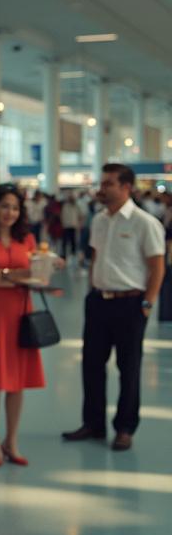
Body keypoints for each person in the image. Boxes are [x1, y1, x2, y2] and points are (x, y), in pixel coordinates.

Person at [62, 164, 165, 451]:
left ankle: (125, 428)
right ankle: (93, 423)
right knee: (92, 365)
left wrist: (147, 304)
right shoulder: (99, 220)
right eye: (102, 182)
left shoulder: (145, 223)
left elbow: (157, 267)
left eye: (109, 183)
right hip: (98, 302)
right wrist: (93, 290)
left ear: (126, 188)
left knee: (128, 368)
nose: (102, 188)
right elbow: (96, 257)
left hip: (130, 304)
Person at [0, 185, 63, 467]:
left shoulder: (28, 239)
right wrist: (17, 274)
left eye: (15, 208)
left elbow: (38, 274)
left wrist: (49, 268)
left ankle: (12, 440)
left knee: (17, 381)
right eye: (5, 206)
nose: (10, 212)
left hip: (21, 311)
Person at [59, 193, 81, 260]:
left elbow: (80, 215)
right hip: (66, 226)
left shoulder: (76, 206)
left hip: (73, 226)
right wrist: (63, 224)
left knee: (73, 241)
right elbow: (62, 215)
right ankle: (63, 255)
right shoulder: (65, 206)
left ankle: (73, 254)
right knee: (65, 242)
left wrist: (78, 224)